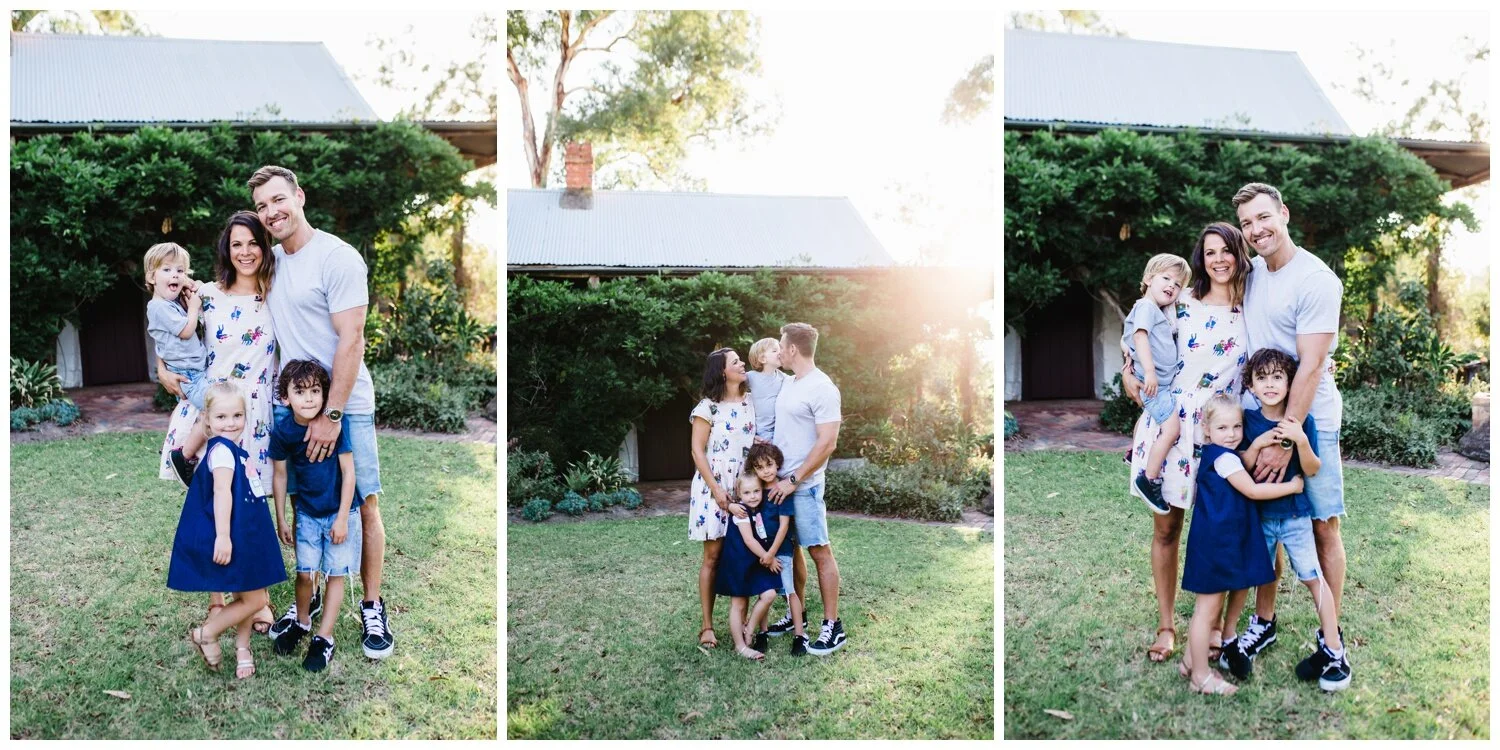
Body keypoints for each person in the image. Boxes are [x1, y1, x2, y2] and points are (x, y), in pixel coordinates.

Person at [248, 165, 394, 660]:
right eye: (262, 206)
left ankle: (371, 606)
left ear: (300, 196)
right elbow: (230, 287)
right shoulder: (270, 262)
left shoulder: (337, 258)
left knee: (362, 503)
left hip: (343, 407)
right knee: (305, 504)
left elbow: (352, 340)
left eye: (277, 200)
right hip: (294, 407)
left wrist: (331, 416)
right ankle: (304, 608)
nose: (271, 212)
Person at [1232, 182, 1350, 682]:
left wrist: (1286, 438)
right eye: (1246, 223)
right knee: (1268, 524)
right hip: (1258, 420)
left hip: (1311, 421)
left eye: (1264, 217)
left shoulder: (1316, 280)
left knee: (1322, 525)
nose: (1257, 230)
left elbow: (1313, 366)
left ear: (1284, 213)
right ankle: (1264, 622)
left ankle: (1331, 639)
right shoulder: (1253, 274)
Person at [1121, 223, 1253, 664]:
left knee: (1219, 528)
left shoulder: (1253, 306)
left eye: (1226, 250)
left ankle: (1215, 624)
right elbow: (1140, 340)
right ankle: (1165, 625)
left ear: (1239, 253)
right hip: (1174, 425)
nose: (1218, 259)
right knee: (1167, 527)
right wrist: (1129, 374)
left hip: (1223, 431)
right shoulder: (1182, 303)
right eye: (1210, 251)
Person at [157, 211, 280, 636]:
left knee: (251, 507)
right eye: (236, 245)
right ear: (226, 251)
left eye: (252, 243)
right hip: (213, 409)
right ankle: (216, 601)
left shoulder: (276, 293)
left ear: (265, 248)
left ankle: (253, 597)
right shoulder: (205, 293)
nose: (245, 252)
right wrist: (161, 366)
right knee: (212, 503)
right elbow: (165, 323)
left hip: (256, 415)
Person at [1216, 348, 1349, 690]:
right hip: (1259, 517)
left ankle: (1334, 648)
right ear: (1251, 385)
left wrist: (1301, 442)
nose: (1270, 384)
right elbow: (1243, 465)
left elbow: (1312, 469)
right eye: (1262, 378)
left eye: (1278, 377)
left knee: (1311, 577)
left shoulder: (1304, 422)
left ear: (1291, 383)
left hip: (1295, 518)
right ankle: (1229, 639)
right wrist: (1258, 443)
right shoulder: (1248, 420)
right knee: (1249, 576)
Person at [1179, 394, 1303, 696]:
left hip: (1217, 541)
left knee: (1208, 608)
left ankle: (1187, 662)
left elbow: (1242, 463)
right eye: (1223, 428)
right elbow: (1253, 490)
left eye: (1237, 426)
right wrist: (1293, 486)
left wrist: (1258, 444)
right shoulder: (1223, 458)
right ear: (1207, 429)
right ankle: (1201, 676)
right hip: (1215, 545)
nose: (1232, 434)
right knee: (1206, 613)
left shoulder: (1219, 454)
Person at [168, 382, 287, 679]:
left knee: (249, 590)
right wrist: (223, 536)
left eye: (237, 415)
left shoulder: (235, 449)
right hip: (233, 534)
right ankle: (208, 633)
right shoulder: (221, 451)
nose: (230, 423)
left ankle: (242, 647)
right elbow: (222, 492)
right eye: (221, 417)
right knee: (256, 599)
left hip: (246, 533)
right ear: (207, 419)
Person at [269, 360, 360, 672]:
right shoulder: (283, 431)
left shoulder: (335, 426)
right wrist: (281, 518)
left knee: (335, 573)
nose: (308, 398)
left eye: (315, 391)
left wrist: (342, 520)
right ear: (285, 397)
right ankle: (303, 622)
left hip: (339, 512)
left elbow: (349, 474)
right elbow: (280, 475)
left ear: (324, 394)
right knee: (305, 574)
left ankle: (324, 638)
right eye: (300, 391)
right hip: (306, 514)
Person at [768, 322, 846, 656]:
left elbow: (828, 442)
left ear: (793, 350)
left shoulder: (822, 388)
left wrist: (795, 480)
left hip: (804, 486)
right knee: (792, 552)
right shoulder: (789, 383)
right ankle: (795, 613)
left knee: (818, 550)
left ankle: (833, 626)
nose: (779, 351)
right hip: (780, 485)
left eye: (782, 346)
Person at [688, 347, 755, 648]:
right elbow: (697, 450)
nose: (743, 364)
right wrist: (717, 490)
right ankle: (707, 626)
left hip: (745, 487)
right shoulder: (707, 407)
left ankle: (742, 621)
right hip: (712, 486)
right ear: (722, 372)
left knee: (744, 553)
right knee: (713, 557)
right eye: (736, 362)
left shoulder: (751, 402)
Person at [1124, 253, 1192, 512]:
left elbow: (1129, 337)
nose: (1171, 287)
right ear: (1148, 279)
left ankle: (1135, 454)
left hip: (1160, 384)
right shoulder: (1146, 308)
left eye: (1177, 285)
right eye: (1166, 278)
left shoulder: (1160, 311)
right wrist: (1150, 372)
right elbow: (1139, 336)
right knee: (1172, 430)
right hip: (1156, 385)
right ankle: (1148, 479)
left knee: (1148, 420)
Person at [144, 242, 213, 483]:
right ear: (151, 277)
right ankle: (183, 455)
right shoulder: (158, 307)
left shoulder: (170, 304)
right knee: (216, 409)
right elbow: (185, 331)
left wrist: (191, 287)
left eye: (180, 271)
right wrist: (193, 307)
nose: (175, 275)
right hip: (188, 375)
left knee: (213, 410)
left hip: (193, 372)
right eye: (167, 270)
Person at [742, 442, 807, 656]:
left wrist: (772, 554)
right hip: (761, 551)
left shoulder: (782, 490)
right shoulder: (756, 490)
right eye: (760, 467)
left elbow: (784, 526)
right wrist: (764, 554)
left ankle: (799, 635)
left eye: (769, 464)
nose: (766, 470)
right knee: (765, 592)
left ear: (777, 463)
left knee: (789, 592)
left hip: (780, 551)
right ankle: (763, 634)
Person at [715, 472, 784, 661]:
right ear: (739, 494)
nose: (752, 496)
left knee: (769, 594)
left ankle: (750, 628)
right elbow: (748, 539)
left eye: (756, 491)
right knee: (738, 603)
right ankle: (740, 646)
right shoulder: (741, 512)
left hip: (753, 561)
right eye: (747, 493)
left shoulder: (757, 508)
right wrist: (767, 557)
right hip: (739, 561)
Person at [745, 337, 789, 444]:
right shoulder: (751, 377)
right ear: (762, 359)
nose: (780, 353)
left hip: (779, 430)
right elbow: (733, 388)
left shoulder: (783, 377)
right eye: (775, 351)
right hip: (759, 430)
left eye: (780, 349)